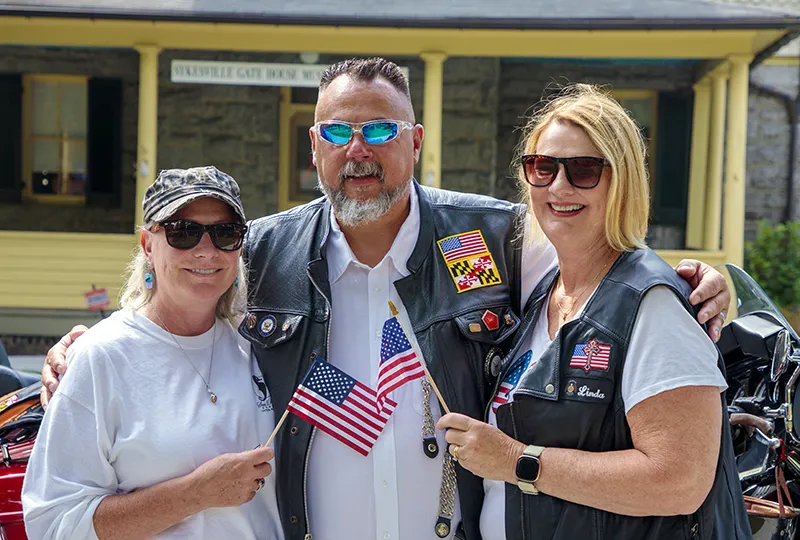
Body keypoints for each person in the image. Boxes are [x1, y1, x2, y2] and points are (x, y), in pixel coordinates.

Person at [40, 59, 730, 540]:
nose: (359, 150)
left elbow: (601, 261)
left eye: (379, 130)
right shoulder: (263, 252)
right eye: (338, 132)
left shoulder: (498, 238)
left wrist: (691, 280)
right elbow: (176, 293)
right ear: (315, 146)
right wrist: (85, 346)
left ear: (415, 142)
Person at [437, 84, 750, 540]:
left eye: (583, 170)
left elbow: (679, 481)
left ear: (622, 181)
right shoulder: (542, 289)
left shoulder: (653, 306)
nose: (558, 186)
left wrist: (517, 461)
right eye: (542, 167)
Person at [23, 167, 284, 540]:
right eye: (183, 232)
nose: (206, 250)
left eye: (225, 233)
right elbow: (53, 523)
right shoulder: (101, 356)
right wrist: (195, 493)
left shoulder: (260, 344)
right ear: (147, 244)